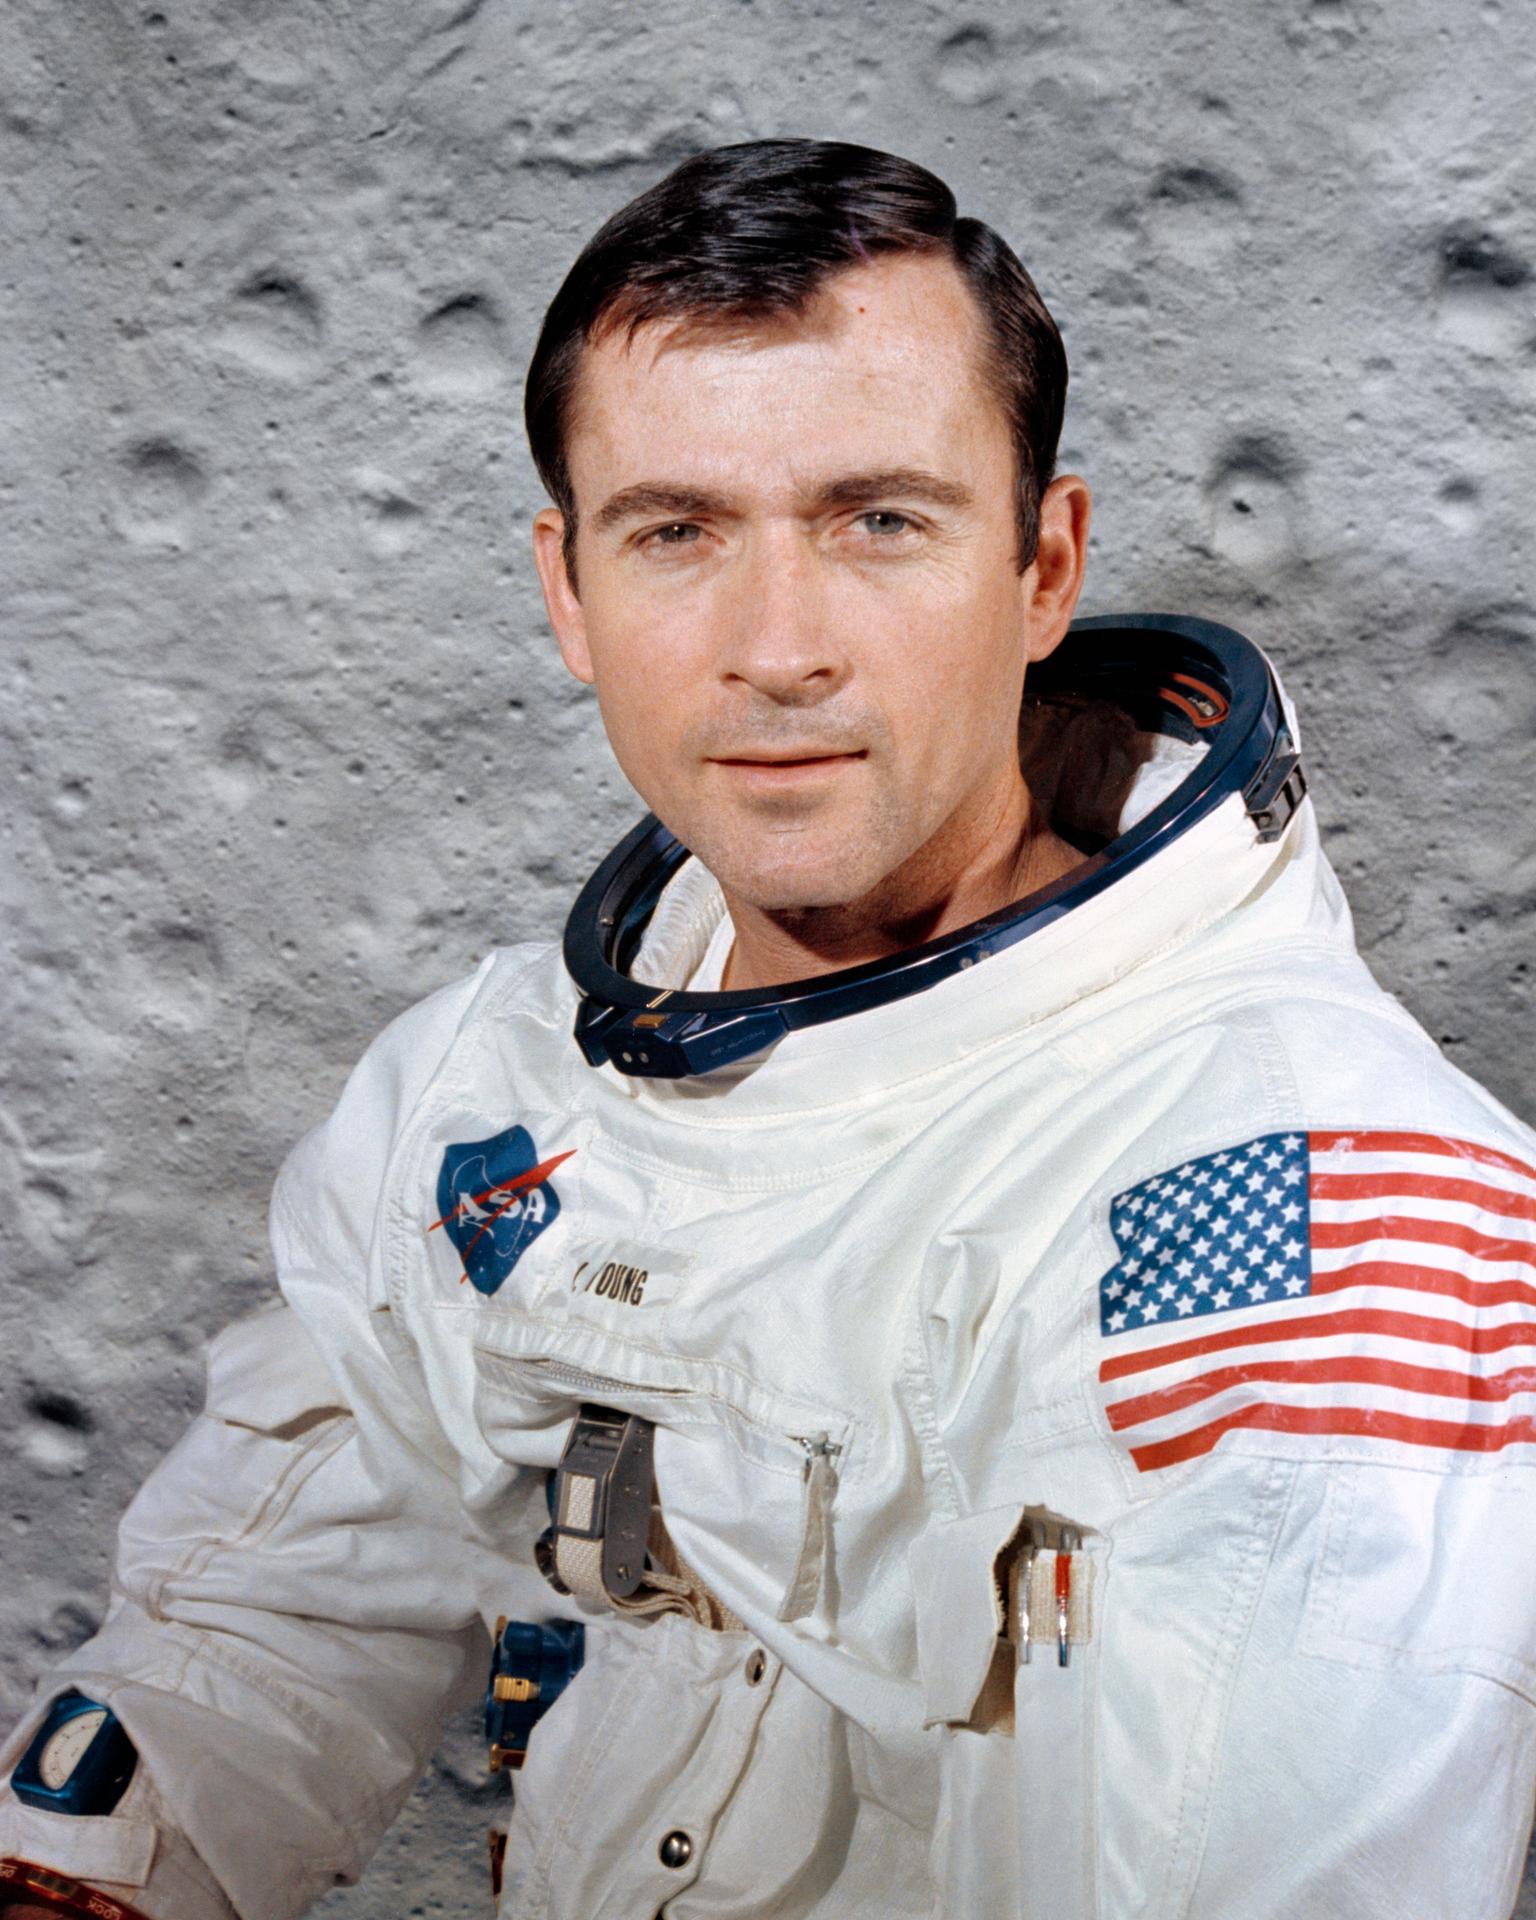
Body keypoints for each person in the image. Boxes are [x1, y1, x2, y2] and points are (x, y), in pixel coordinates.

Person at [4, 136, 1536, 1920]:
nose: (778, 647)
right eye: (675, 534)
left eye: (881, 520)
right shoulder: (489, 1092)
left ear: (1044, 570)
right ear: (568, 593)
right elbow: (253, 1630)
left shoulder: (1307, 1218)